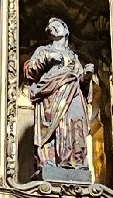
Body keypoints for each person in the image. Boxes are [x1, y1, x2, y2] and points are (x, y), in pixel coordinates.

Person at [23, 18, 94, 182]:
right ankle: (50, 161)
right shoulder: (43, 50)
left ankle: (75, 162)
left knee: (76, 124)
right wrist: (47, 58)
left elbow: (82, 83)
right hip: (52, 95)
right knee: (52, 128)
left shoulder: (73, 56)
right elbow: (29, 70)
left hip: (74, 93)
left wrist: (87, 77)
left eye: (57, 26)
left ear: (66, 30)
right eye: (50, 28)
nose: (53, 29)